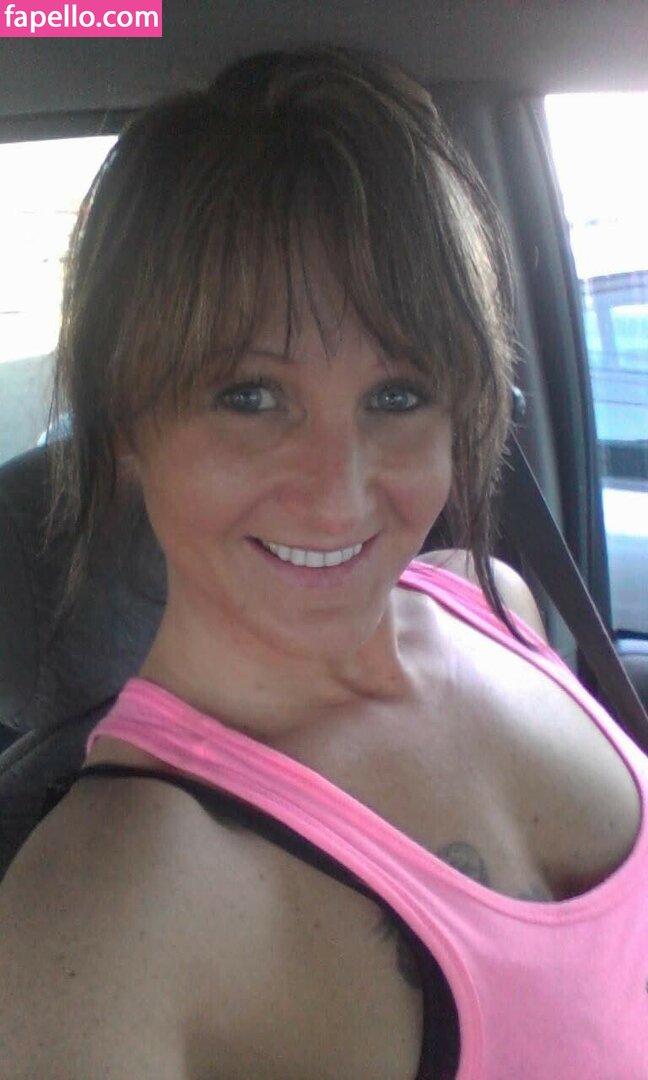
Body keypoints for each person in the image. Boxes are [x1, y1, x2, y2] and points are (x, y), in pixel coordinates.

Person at [1, 45, 647, 1080]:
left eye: (397, 395)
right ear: (124, 425)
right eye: (250, 397)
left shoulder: (496, 603)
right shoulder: (106, 906)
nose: (340, 495)